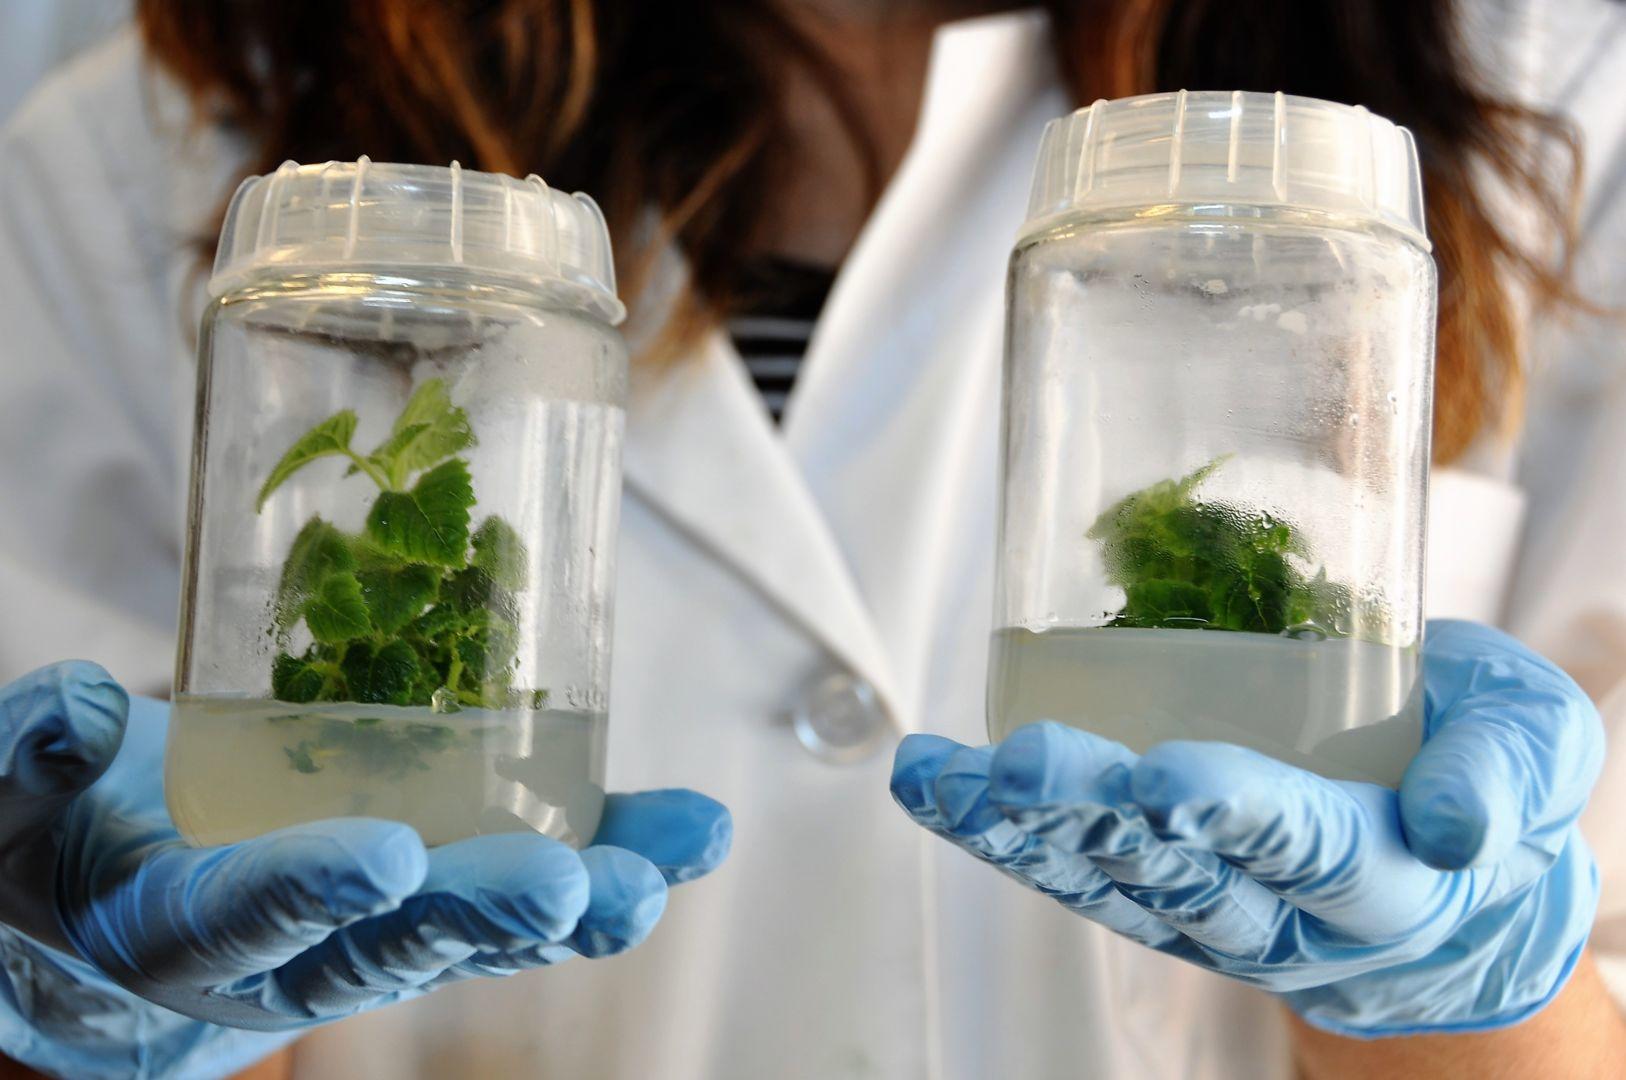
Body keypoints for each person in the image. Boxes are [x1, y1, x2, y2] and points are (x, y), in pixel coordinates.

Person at [1, 1, 1624, 1077]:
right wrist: (74, 996)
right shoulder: (169, 136)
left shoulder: (1539, 88)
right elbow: (143, 882)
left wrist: (1477, 980)